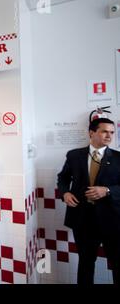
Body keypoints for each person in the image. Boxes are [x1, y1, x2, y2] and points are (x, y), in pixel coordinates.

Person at [57, 117, 120, 284]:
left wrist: (107, 190)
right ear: (92, 133)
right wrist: (65, 194)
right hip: (83, 219)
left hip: (112, 221)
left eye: (112, 132)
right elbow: (63, 178)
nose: (109, 136)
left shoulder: (118, 158)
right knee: (85, 263)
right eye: (104, 131)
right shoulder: (74, 155)